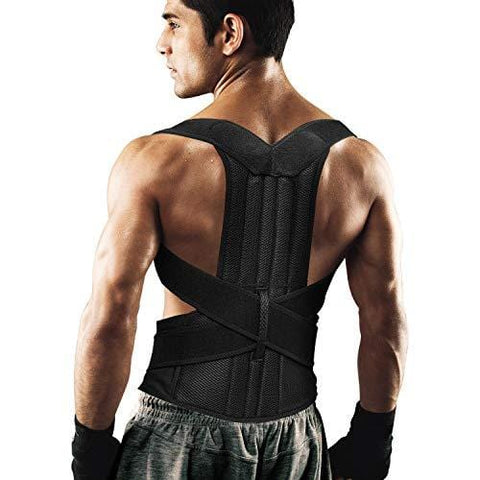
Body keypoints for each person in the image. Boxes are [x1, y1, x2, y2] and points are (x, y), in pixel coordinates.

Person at [71, 1, 408, 479]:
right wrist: (374, 438)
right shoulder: (361, 167)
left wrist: (90, 449)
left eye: (174, 23)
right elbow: (383, 318)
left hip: (177, 443)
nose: (162, 44)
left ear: (229, 33)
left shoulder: (156, 163)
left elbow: (110, 317)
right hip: (296, 445)